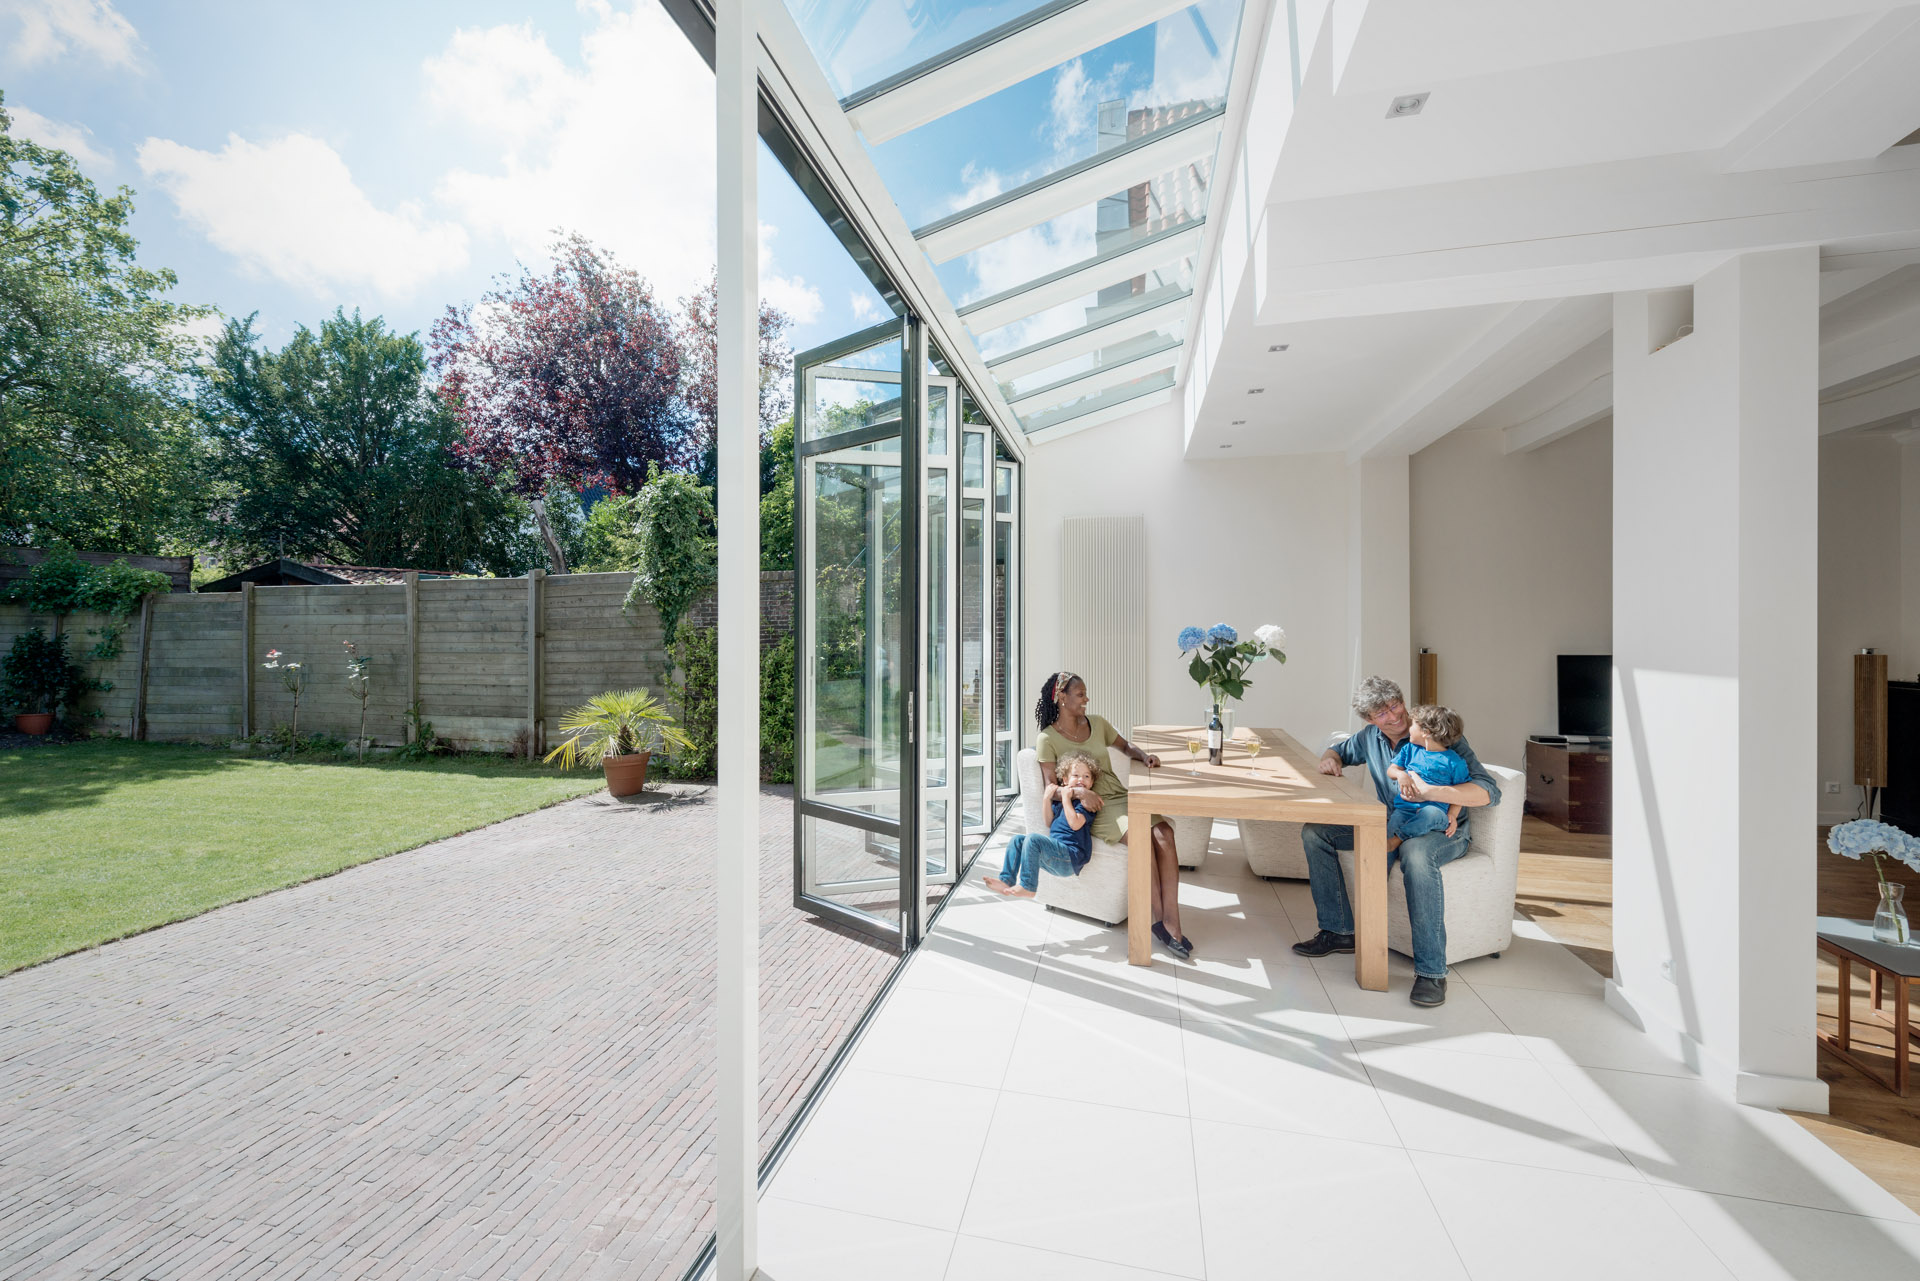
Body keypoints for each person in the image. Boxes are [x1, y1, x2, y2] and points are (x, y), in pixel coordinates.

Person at [1291, 677, 1501, 1007]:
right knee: (1317, 832)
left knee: (1415, 854)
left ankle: (1432, 972)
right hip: (1392, 823)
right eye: (1382, 713)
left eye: (1395, 705)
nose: (1394, 716)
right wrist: (1330, 759)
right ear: (1370, 719)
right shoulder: (1369, 738)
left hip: (1442, 830)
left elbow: (1489, 791)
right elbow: (1339, 751)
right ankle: (1339, 931)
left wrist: (1433, 792)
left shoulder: (1436, 732)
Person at [1033, 671, 1193, 960]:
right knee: (1143, 838)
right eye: (1080, 694)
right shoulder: (1047, 738)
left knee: (1165, 833)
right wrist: (1079, 793)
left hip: (1119, 795)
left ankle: (1171, 919)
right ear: (1062, 698)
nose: (1086, 699)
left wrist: (1143, 756)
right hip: (1095, 807)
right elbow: (1051, 788)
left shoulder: (1097, 723)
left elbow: (1125, 746)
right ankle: (1164, 923)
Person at [985, 751, 1097, 897]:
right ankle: (1006, 880)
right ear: (1065, 780)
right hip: (1054, 856)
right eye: (1076, 775)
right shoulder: (1060, 801)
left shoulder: (1086, 803)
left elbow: (1075, 824)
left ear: (1091, 783)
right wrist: (1046, 799)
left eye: (1086, 776)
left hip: (1070, 857)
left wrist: (1065, 799)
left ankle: (1028, 886)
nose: (1081, 779)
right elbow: (1048, 822)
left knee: (1033, 839)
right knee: (1017, 840)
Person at [1385, 705, 1471, 851]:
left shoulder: (1455, 762)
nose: (1408, 728)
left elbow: (1460, 793)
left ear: (1426, 732)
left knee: (1430, 813)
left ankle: (1398, 839)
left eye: (1413, 725)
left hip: (1436, 815)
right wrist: (1401, 775)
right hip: (1404, 810)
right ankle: (1384, 861)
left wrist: (1452, 815)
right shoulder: (1409, 749)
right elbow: (1391, 770)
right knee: (1385, 846)